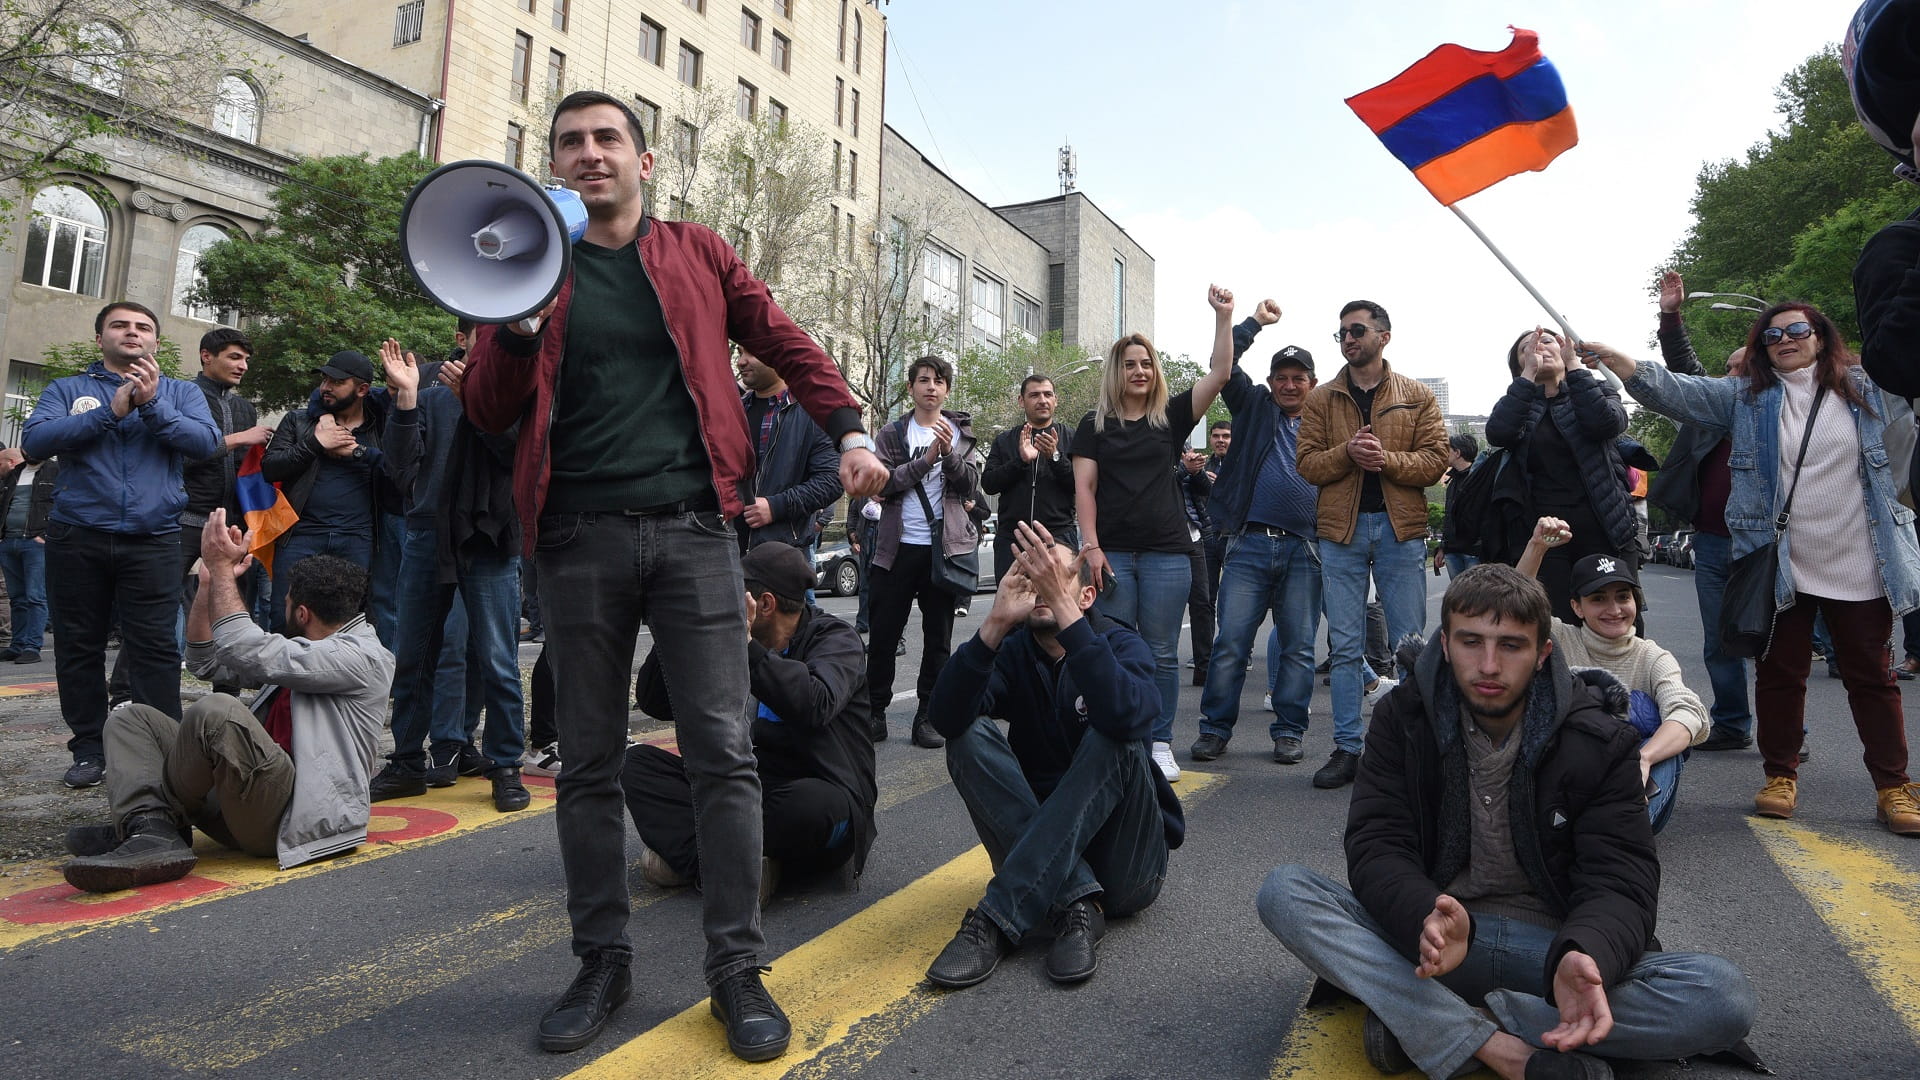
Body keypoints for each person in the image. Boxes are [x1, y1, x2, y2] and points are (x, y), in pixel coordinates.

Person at [461, 90, 887, 1062]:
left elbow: (782, 339)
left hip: (699, 533)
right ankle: (600, 962)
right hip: (577, 539)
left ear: (642, 163)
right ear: (556, 165)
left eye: (608, 138)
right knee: (589, 761)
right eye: (571, 142)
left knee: (724, 753)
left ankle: (736, 970)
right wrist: (519, 324)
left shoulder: (697, 252)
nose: (590, 153)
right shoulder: (528, 270)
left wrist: (849, 430)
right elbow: (487, 408)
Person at [1257, 564, 1756, 1079]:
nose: (1489, 665)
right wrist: (1423, 914)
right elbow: (1378, 843)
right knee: (1286, 892)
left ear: (1543, 653)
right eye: (1471, 642)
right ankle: (1505, 1049)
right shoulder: (1402, 719)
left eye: (1511, 646)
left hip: (1549, 954)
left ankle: (1450, 1026)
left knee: (1721, 996)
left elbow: (1622, 878)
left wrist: (1586, 955)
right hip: (1439, 944)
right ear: (1445, 645)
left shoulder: (1599, 738)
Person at [1584, 303, 1920, 835]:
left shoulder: (1871, 387)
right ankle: (1779, 775)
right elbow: (1679, 392)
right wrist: (1623, 364)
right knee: (1780, 674)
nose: (1784, 339)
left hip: (1861, 558)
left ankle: (1893, 786)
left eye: (1797, 330)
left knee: (1871, 677)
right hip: (1780, 563)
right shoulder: (1747, 397)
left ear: (1820, 335)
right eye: (1771, 335)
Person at [60, 519, 393, 893]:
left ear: (302, 613)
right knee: (131, 719)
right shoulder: (303, 650)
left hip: (291, 818)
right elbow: (207, 660)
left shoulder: (363, 657)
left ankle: (158, 818)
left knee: (217, 710)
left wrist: (221, 569)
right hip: (242, 803)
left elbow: (242, 647)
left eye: (285, 601)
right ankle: (151, 830)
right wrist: (207, 583)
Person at [924, 523, 1182, 989]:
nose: (1040, 585)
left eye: (1054, 576)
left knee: (1115, 733)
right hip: (1043, 857)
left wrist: (1066, 614)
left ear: (1085, 597)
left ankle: (997, 917)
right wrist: (994, 624)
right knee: (968, 736)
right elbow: (945, 718)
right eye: (1031, 574)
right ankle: (1077, 905)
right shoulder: (1014, 651)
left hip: (1127, 865)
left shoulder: (1120, 644)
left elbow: (1128, 716)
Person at [23, 301, 221, 789]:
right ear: (100, 338)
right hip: (77, 536)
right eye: (120, 325)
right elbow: (35, 441)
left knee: (154, 648)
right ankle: (89, 749)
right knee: (78, 647)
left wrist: (151, 406)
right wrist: (110, 413)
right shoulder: (68, 389)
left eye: (143, 327)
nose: (132, 333)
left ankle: (165, 749)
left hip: (153, 539)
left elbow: (206, 443)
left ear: (156, 341)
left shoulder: (179, 392)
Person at [624, 542, 876, 897]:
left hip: (818, 788)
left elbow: (815, 704)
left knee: (812, 806)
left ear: (765, 605)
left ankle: (707, 862)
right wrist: (672, 629)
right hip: (750, 784)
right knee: (636, 766)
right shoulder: (729, 641)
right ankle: (747, 866)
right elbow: (654, 702)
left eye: (734, 594)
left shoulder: (837, 639)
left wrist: (748, 650)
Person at [1073, 286, 1237, 782]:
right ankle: (1125, 736)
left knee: (1163, 653)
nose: (1140, 371)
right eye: (1130, 364)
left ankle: (1160, 742)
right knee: (1119, 649)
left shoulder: (1171, 419)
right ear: (1116, 372)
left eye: (1146, 363)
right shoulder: (1093, 424)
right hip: (1113, 554)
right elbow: (1085, 489)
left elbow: (1221, 373)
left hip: (1169, 553)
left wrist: (1224, 317)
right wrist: (1091, 548)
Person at [370, 338, 529, 812]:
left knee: (497, 658)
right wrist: (404, 398)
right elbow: (399, 471)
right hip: (426, 532)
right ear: (464, 338)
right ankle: (405, 762)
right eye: (485, 329)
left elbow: (520, 457)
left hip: (491, 535)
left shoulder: (518, 384)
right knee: (413, 655)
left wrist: (477, 408)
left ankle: (505, 766)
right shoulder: (430, 386)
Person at [1296, 300, 1448, 789]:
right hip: (1340, 533)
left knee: (1411, 646)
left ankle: (1407, 750)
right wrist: (1347, 452)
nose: (1347, 339)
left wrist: (1385, 460)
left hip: (1401, 532)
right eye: (1340, 333)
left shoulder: (1417, 395)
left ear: (1384, 336)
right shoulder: (1321, 398)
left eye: (1357, 330)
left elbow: (1434, 461)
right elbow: (1308, 465)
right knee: (1343, 646)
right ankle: (1348, 748)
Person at [1191, 299, 1324, 766]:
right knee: (1230, 644)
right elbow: (1221, 365)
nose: (1289, 385)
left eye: (1298, 378)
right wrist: (1253, 322)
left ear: (1312, 383)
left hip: (1306, 551)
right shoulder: (1251, 406)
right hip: (1248, 543)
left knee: (1299, 648)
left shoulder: (1328, 419)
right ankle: (1214, 729)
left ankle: (1289, 730)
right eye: (1282, 378)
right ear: (1271, 383)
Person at [1518, 519, 1708, 832]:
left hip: (1631, 783)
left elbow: (1688, 713)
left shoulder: (1652, 657)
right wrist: (1537, 546)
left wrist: (1643, 760)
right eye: (1598, 599)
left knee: (1665, 746)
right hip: (1567, 774)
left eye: (1623, 596)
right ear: (1577, 608)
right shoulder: (1560, 640)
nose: (1614, 609)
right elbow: (1517, 608)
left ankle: (1617, 836)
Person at [1647, 271, 1756, 751]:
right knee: (1719, 640)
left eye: (1743, 370)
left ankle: (1787, 730)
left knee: (1775, 642)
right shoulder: (1710, 405)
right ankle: (1732, 723)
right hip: (1712, 542)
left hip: (1766, 543)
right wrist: (1671, 314)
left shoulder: (1779, 411)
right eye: (1728, 369)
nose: (1732, 377)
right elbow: (1684, 368)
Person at [864, 355, 981, 750]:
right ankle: (874, 711)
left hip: (941, 551)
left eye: (939, 381)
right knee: (882, 636)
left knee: (938, 640)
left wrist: (947, 457)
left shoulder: (961, 436)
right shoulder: (892, 434)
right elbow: (882, 483)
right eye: (924, 380)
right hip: (896, 550)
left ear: (947, 390)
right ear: (912, 387)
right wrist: (925, 460)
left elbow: (969, 488)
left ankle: (928, 715)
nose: (931, 387)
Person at [1484, 328, 1634, 621]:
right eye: (1527, 348)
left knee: (1613, 616)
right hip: (1543, 531)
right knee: (1550, 619)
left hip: (1604, 525)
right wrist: (1527, 379)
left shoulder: (1600, 390)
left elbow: (1603, 425)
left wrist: (1576, 368)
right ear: (1519, 366)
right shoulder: (1518, 403)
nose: (1539, 348)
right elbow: (1498, 433)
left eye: (1548, 341)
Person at [261, 349, 403, 638]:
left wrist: (359, 453)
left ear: (362, 389)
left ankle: (335, 683)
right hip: (300, 535)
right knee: (284, 618)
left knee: (347, 624)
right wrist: (315, 443)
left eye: (337, 382)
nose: (326, 387)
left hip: (358, 539)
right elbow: (270, 468)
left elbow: (400, 472)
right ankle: (286, 684)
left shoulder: (382, 424)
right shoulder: (299, 421)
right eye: (324, 380)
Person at [735, 349, 844, 566]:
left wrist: (776, 507)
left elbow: (832, 480)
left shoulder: (811, 412)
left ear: (779, 355)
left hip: (781, 558)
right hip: (726, 552)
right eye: (739, 352)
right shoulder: (733, 410)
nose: (741, 362)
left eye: (751, 353)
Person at [982, 374, 1078, 579]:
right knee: (1013, 606)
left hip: (1059, 538)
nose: (1042, 400)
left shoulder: (1072, 438)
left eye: (1047, 394)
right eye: (1034, 395)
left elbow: (1080, 486)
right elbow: (989, 484)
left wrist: (1055, 457)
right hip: (1013, 539)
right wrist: (1020, 461)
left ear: (1055, 400)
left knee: (1061, 605)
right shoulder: (1005, 440)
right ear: (1021, 401)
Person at [0, 447, 55, 663]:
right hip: (9, 541)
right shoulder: (13, 473)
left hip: (35, 543)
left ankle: (32, 646)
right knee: (17, 598)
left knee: (35, 597)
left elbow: (66, 501)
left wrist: (48, 533)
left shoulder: (55, 470)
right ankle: (18, 645)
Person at [1177, 445, 1214, 685]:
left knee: (1202, 602)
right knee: (1164, 607)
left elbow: (1206, 491)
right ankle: (1157, 665)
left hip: (1193, 538)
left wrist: (1197, 471)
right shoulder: (1151, 445)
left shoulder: (1185, 449)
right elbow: (1155, 483)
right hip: (1161, 540)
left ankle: (1205, 667)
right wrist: (1183, 469)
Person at [1436, 433, 1481, 578]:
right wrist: (1443, 547)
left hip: (1473, 552)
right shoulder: (1452, 481)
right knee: (1457, 598)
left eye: (1447, 449)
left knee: (1477, 597)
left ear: (1457, 453)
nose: (1444, 453)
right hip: (1452, 551)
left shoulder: (1479, 478)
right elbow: (1449, 517)